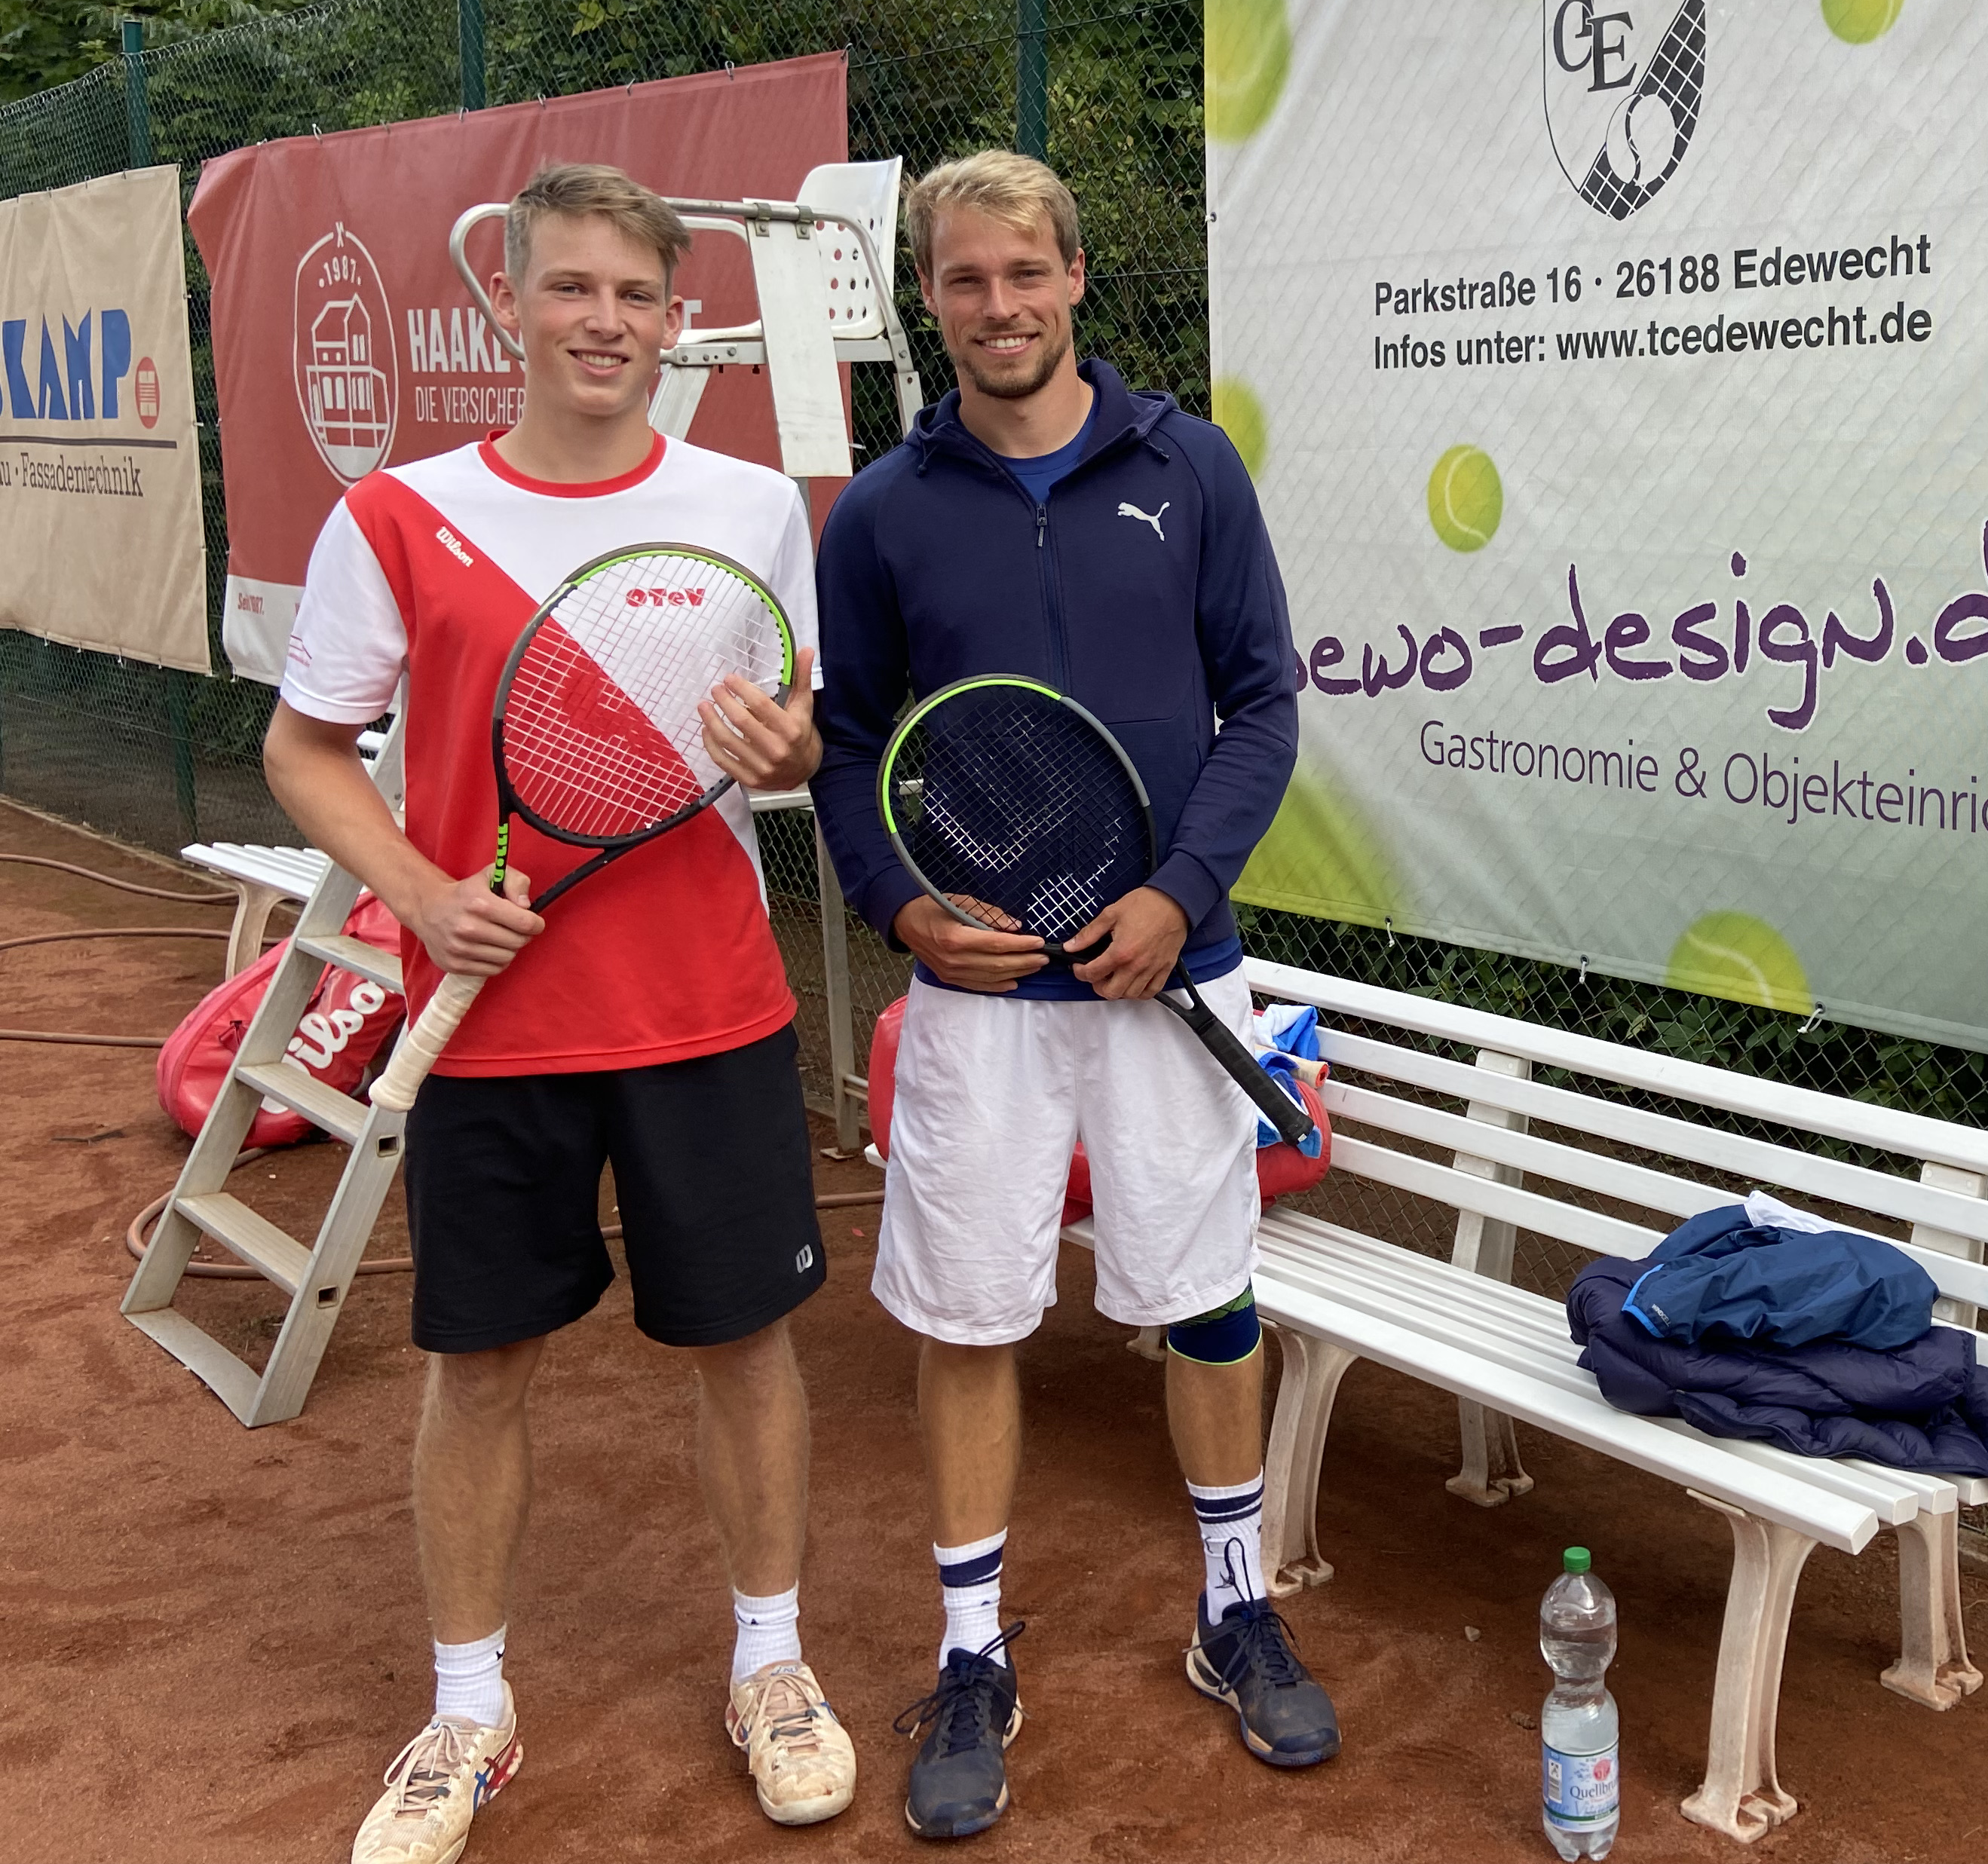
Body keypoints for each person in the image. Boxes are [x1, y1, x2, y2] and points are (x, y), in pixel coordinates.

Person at [266, 163, 856, 1864]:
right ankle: (468, 1710)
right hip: (495, 1030)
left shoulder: (753, 506)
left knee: (747, 1349)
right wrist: (418, 892)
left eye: (636, 296)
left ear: (678, 321)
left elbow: (795, 736)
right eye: (572, 288)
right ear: (506, 304)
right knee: (478, 1366)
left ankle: (771, 1667)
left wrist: (793, 752)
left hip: (708, 1012)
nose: (605, 322)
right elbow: (305, 749)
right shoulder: (400, 516)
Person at [811, 149, 1333, 1840]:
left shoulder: (1189, 469)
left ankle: (1234, 1608)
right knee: (969, 1317)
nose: (999, 306)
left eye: (1024, 272)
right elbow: (844, 749)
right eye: (964, 279)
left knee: (1207, 1300)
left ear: (1077, 279)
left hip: (1174, 971)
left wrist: (1180, 896)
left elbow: (1262, 704)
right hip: (980, 1000)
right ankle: (972, 1649)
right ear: (929, 297)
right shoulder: (883, 512)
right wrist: (902, 906)